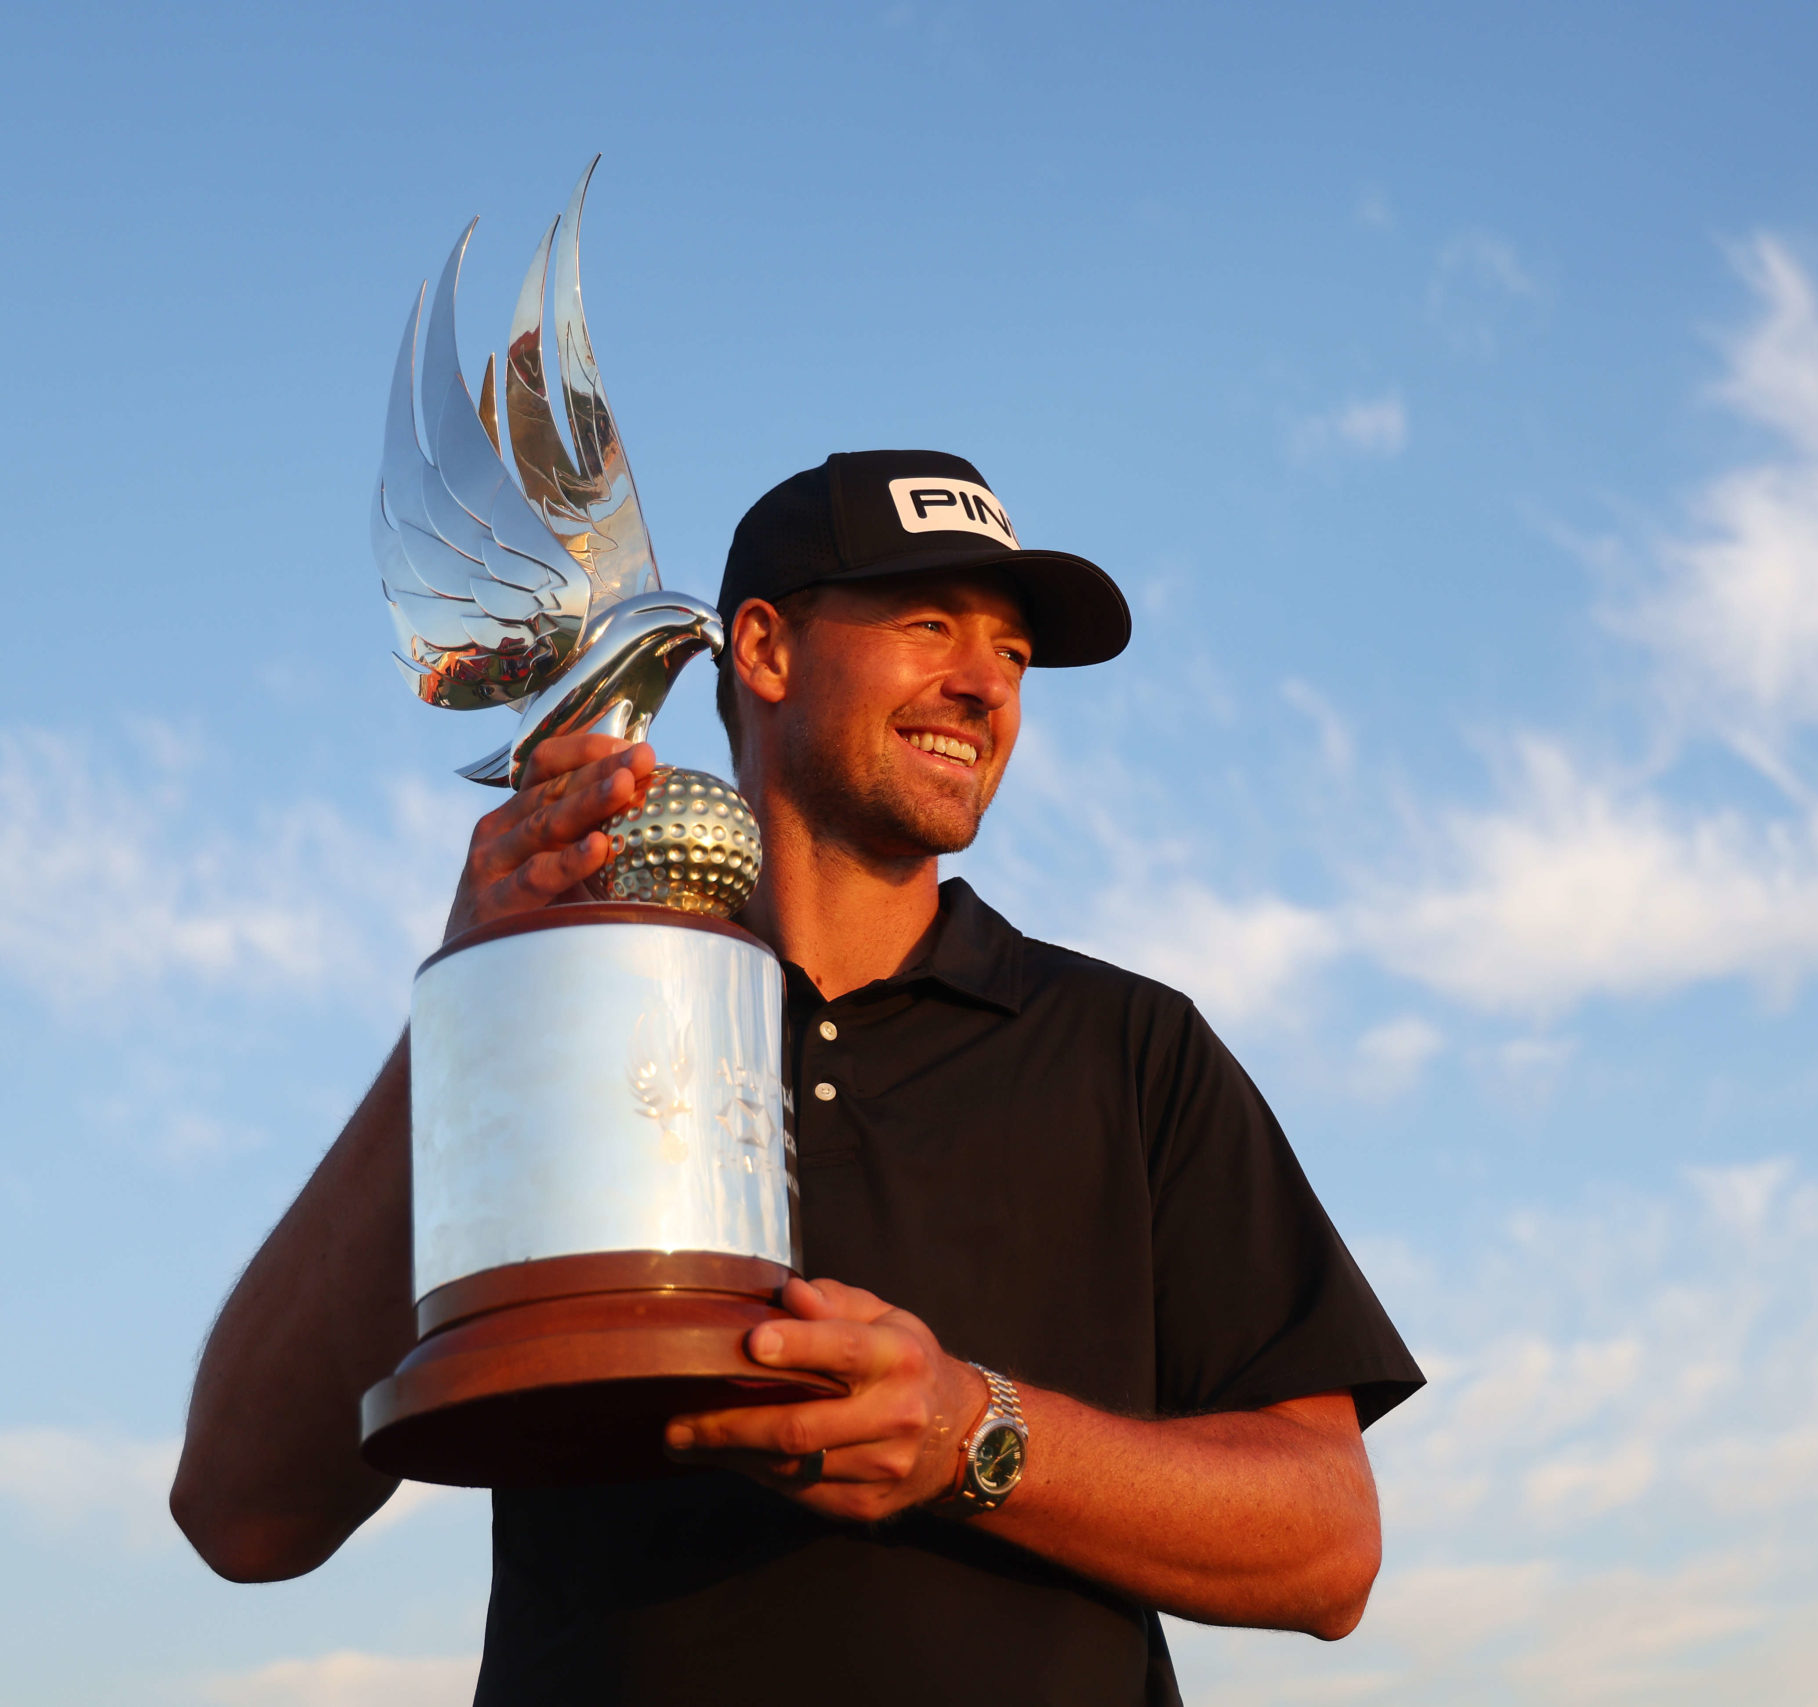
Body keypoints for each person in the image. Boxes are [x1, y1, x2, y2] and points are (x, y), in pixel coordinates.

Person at [171, 450, 1424, 1706]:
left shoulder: (1128, 1044)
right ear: (764, 652)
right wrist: (484, 993)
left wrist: (965, 1435)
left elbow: (1327, 1545)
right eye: (932, 623)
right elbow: (243, 1515)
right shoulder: (578, 1028)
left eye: (1014, 654)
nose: (984, 683)